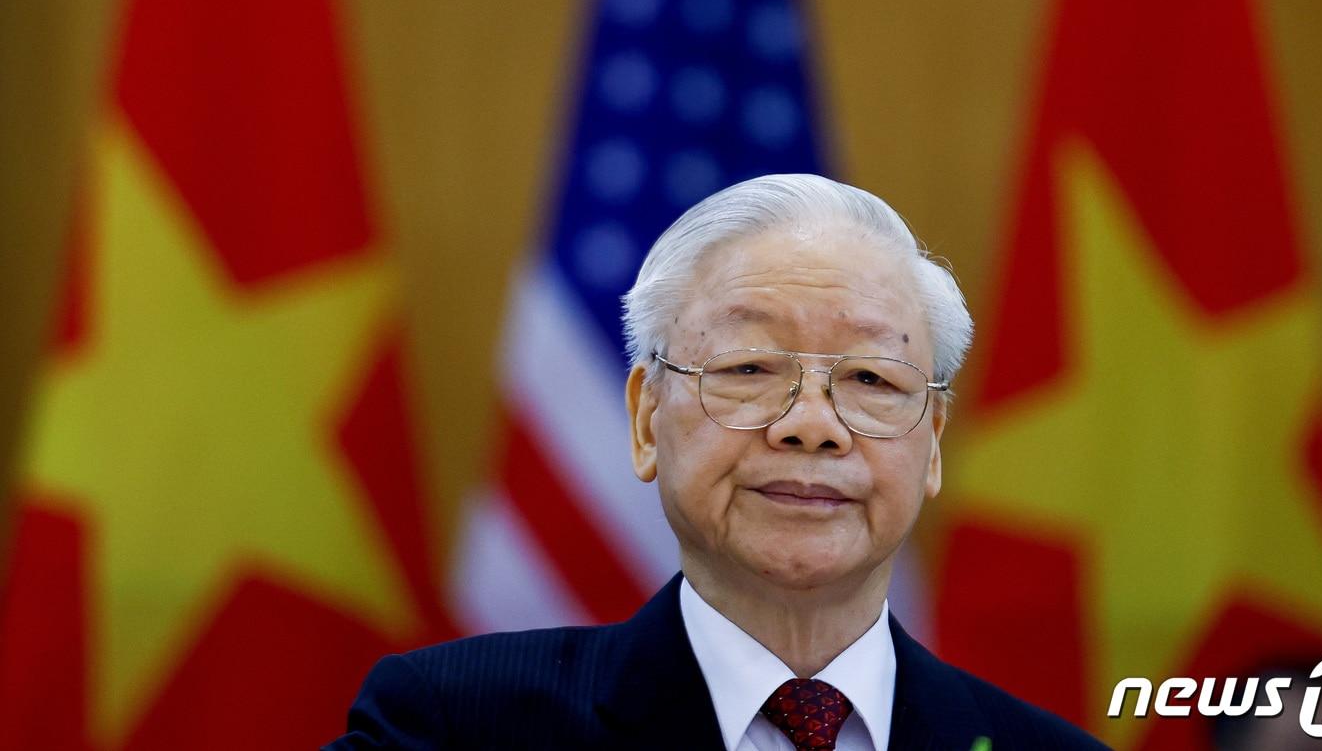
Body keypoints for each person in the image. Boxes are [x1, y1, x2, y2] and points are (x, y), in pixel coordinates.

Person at [326, 174, 1108, 750]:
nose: (811, 426)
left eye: (871, 379)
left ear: (932, 439)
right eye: (748, 368)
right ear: (645, 417)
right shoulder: (453, 728)